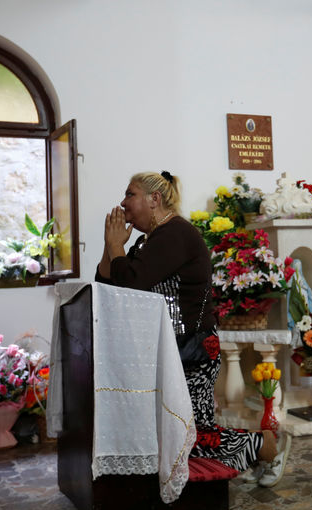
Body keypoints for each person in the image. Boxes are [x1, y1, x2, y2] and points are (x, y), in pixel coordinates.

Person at [95, 170, 292, 487]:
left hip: (194, 349)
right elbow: (109, 283)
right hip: (169, 350)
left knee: (192, 433)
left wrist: (117, 246)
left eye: (130, 194)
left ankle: (267, 446)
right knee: (174, 430)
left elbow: (131, 281)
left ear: (154, 199)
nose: (123, 201)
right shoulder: (148, 242)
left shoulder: (176, 234)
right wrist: (111, 245)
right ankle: (259, 448)